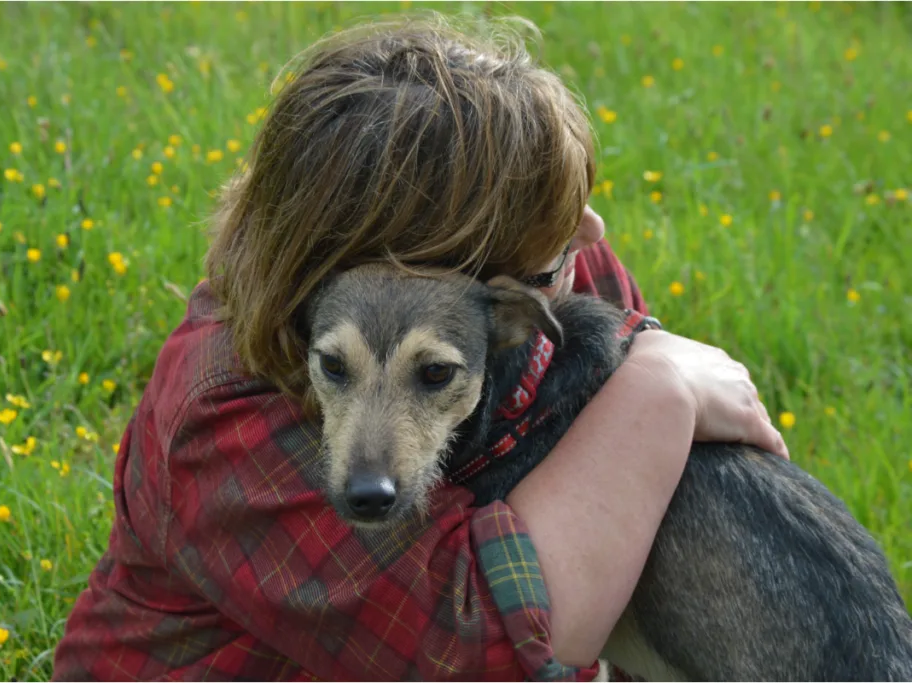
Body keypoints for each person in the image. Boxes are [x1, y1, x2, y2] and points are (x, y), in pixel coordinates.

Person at [52, 14, 789, 682]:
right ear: (404, 271)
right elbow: (478, 655)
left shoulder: (541, 273)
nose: (590, 236)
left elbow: (633, 519)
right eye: (545, 247)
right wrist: (658, 386)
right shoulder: (223, 418)